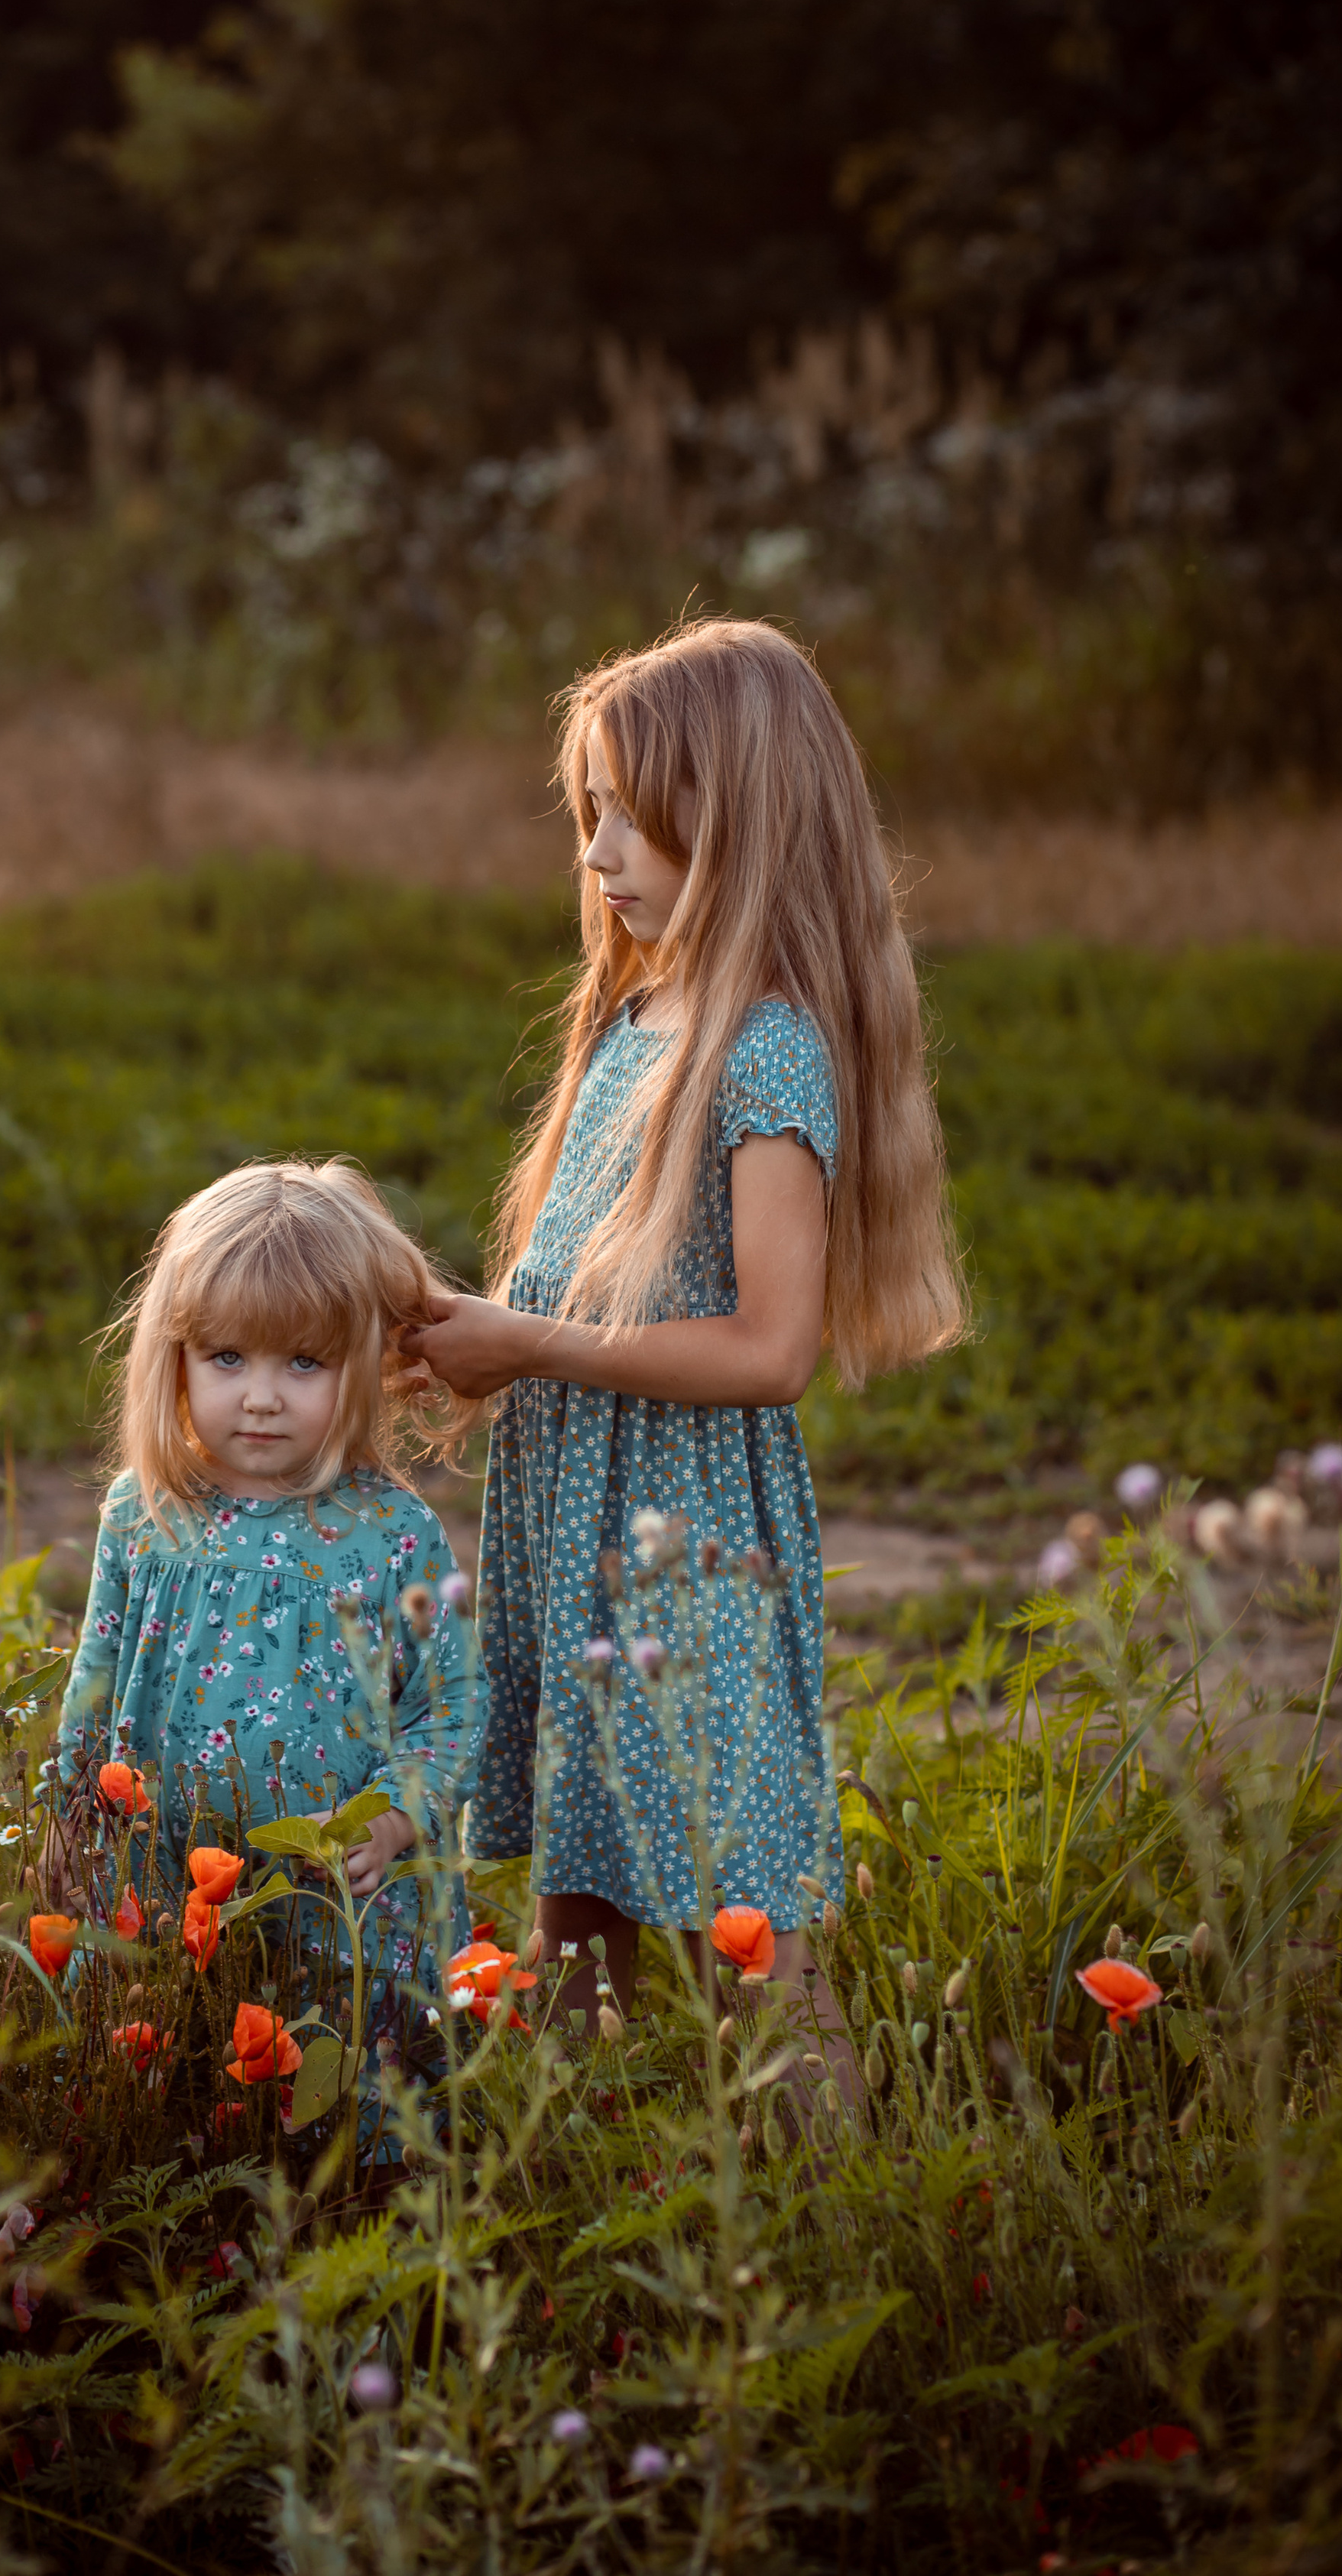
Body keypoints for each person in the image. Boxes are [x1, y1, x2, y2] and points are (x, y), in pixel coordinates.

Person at [404, 618, 966, 2059]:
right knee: (576, 1908)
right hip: (575, 1522)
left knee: (748, 1934)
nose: (591, 856)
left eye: (622, 817)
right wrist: (465, 1344)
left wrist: (525, 1347)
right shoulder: (635, 1020)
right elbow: (591, 1297)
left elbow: (767, 1350)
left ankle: (841, 2219)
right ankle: (586, 2227)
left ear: (730, 816)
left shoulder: (766, 1044)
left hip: (684, 1546)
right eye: (583, 816)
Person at [49, 1159, 486, 2047]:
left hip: (338, 1885)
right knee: (175, 2050)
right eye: (227, 1356)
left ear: (363, 1362)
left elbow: (452, 1709)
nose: (260, 1395)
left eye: (303, 1361)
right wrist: (68, 1815)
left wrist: (396, 1819)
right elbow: (93, 1681)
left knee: (335, 2062)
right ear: (173, 1356)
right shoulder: (147, 1511)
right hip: (165, 1868)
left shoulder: (392, 1533)